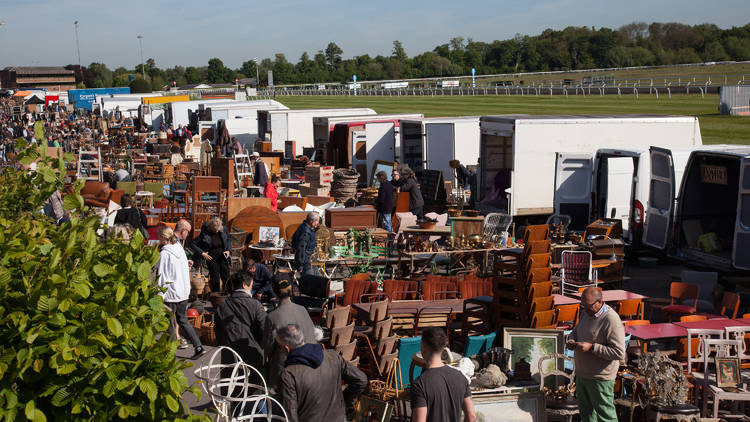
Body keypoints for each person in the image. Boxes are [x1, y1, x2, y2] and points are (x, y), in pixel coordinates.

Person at [276, 324, 367, 422]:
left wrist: (344, 402)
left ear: (286, 348)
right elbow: (361, 379)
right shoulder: (332, 356)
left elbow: (289, 416)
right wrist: (344, 402)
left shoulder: (289, 374)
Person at [567, 287, 625, 422]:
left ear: (600, 302)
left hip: (600, 377)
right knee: (586, 415)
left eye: (588, 306)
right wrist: (572, 339)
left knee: (606, 417)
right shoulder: (586, 313)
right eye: (583, 306)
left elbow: (619, 352)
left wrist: (592, 348)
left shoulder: (611, 319)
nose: (585, 310)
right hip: (582, 374)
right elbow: (576, 330)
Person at [156, 226, 205, 358]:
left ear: (163, 238)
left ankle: (169, 351)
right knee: (183, 320)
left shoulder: (164, 254)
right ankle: (198, 346)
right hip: (182, 291)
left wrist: (160, 295)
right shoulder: (179, 249)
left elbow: (162, 276)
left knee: (169, 321)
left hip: (171, 293)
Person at [263, 274, 317, 391]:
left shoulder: (272, 317)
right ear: (291, 288)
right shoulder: (303, 310)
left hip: (287, 372)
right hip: (311, 365)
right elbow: (313, 334)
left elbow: (268, 349)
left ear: (274, 291)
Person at [411, 327, 475, 422]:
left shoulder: (420, 384)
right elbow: (471, 416)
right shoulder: (460, 377)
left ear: (423, 347)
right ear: (443, 349)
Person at [214, 270, 268, 369]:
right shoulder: (255, 304)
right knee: (251, 383)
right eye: (251, 285)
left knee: (230, 382)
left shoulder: (222, 305)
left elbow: (217, 331)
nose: (252, 288)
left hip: (229, 354)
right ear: (244, 285)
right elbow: (264, 329)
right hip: (252, 353)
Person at [191, 216, 231, 293]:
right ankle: (215, 295)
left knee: (226, 276)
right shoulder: (205, 232)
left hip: (223, 256)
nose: (217, 231)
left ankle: (228, 294)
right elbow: (193, 244)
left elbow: (228, 240)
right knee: (215, 278)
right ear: (210, 227)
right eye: (215, 230)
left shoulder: (223, 229)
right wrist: (202, 253)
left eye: (218, 229)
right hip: (211, 257)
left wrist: (228, 250)